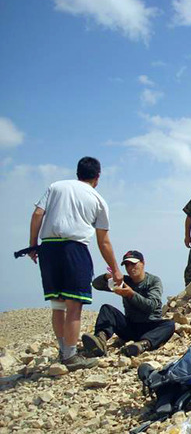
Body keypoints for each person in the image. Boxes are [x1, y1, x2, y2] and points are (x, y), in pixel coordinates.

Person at [27, 156, 122, 370]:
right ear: (97, 177)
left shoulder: (56, 187)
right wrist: (116, 269)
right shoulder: (97, 199)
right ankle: (70, 357)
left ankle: (63, 350)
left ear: (77, 172)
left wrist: (33, 245)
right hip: (74, 248)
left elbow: (37, 214)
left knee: (57, 304)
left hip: (48, 247)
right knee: (74, 305)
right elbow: (103, 241)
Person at [82, 250, 176, 358]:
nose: (130, 267)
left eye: (133, 263)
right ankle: (100, 340)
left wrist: (131, 294)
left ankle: (141, 345)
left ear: (142, 263)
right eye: (127, 265)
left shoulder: (153, 281)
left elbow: (151, 306)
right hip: (131, 326)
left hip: (150, 326)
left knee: (169, 325)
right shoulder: (124, 281)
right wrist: (107, 277)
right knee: (107, 309)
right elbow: (97, 285)